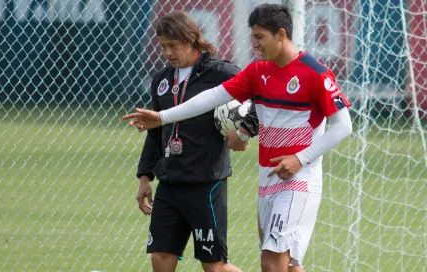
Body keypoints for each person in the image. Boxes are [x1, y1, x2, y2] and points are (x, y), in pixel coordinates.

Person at [123, 4, 353, 272]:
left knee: (272, 261)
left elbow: (342, 126)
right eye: (252, 37)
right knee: (289, 265)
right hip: (269, 177)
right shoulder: (258, 72)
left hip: (299, 180)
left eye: (259, 37)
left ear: (280, 34)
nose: (254, 44)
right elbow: (211, 98)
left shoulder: (314, 72)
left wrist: (300, 159)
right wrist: (162, 118)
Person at [131, 11, 259, 272]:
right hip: (170, 182)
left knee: (214, 266)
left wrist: (245, 130)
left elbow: (260, 96)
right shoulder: (162, 81)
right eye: (162, 46)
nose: (167, 53)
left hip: (206, 183)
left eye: (172, 46)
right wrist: (145, 177)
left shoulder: (220, 71)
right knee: (160, 258)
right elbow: (156, 132)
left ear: (189, 41)